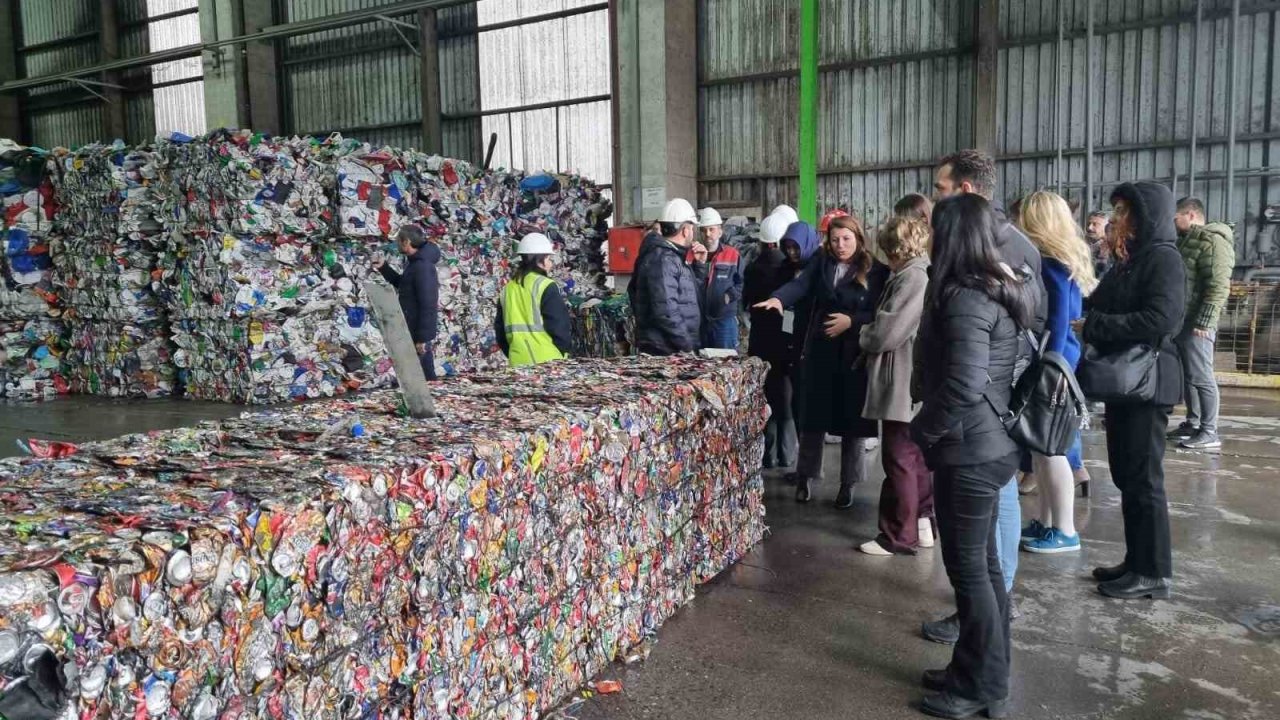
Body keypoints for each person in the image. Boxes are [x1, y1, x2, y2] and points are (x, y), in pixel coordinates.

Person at [910, 194, 1035, 719]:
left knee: (972, 574)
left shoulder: (965, 297)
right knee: (982, 570)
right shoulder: (996, 287)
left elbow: (963, 382)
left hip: (970, 450)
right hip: (987, 445)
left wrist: (924, 429)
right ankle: (977, 670)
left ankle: (980, 686)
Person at [922, 149, 1045, 645]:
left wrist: (926, 426)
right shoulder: (1001, 254)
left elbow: (970, 374)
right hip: (986, 421)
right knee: (981, 557)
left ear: (964, 195)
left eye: (940, 190)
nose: (934, 202)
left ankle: (986, 630)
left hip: (978, 424)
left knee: (975, 563)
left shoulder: (981, 274)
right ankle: (986, 629)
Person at [1083, 181, 1185, 600]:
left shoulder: (1163, 259)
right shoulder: (1131, 259)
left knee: (1144, 479)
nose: (1116, 221)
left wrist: (1097, 326)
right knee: (1127, 475)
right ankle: (1136, 559)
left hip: (1149, 382)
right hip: (1127, 384)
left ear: (1146, 216)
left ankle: (1154, 572)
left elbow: (1161, 319)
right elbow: (1098, 304)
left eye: (1124, 212)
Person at [755, 216, 876, 508]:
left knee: (852, 425)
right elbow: (801, 285)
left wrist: (852, 322)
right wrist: (778, 300)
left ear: (858, 238)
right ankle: (805, 478)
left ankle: (848, 484)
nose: (840, 245)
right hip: (821, 352)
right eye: (835, 240)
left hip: (854, 356)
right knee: (813, 419)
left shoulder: (873, 269)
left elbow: (879, 312)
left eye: (846, 239)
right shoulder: (821, 262)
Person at [1016, 191, 1099, 554]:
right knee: (1042, 449)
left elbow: (1058, 320)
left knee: (1052, 451)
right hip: (1058, 360)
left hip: (1052, 364)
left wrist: (1047, 364)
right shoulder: (1060, 260)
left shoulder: (1051, 264)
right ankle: (1048, 523)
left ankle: (1064, 529)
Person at [858, 214, 933, 556]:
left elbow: (888, 332)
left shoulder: (912, 278)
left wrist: (865, 333)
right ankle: (922, 523)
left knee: (898, 456)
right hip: (910, 376)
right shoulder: (914, 274)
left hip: (901, 378)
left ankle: (898, 535)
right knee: (914, 457)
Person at [1169, 197, 1234, 450]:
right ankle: (1193, 423)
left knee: (1201, 375)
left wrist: (1205, 321)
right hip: (1185, 320)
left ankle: (1209, 431)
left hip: (1198, 321)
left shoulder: (1213, 241)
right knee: (1189, 375)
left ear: (1191, 215)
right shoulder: (1187, 241)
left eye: (1177, 217)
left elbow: (1218, 286)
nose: (1174, 222)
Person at [745, 214, 799, 469]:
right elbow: (789, 309)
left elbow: (746, 304)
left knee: (764, 399)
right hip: (782, 345)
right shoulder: (788, 270)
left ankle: (767, 456)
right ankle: (787, 457)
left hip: (758, 342)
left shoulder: (752, 267)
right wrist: (789, 339)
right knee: (785, 402)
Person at [629, 199, 703, 356]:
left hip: (670, 345)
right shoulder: (664, 259)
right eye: (692, 228)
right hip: (666, 348)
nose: (692, 232)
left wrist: (700, 265)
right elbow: (666, 311)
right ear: (685, 230)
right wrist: (687, 346)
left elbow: (690, 296)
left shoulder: (672, 256)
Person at [494, 233, 573, 366]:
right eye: (548, 259)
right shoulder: (546, 285)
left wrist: (515, 353)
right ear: (539, 260)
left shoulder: (507, 289)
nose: (550, 264)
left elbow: (500, 332)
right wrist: (562, 353)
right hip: (548, 361)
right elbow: (559, 327)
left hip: (517, 363)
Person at [376, 224, 441, 380]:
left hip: (417, 332)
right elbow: (404, 285)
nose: (396, 243)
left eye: (398, 240)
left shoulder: (422, 266)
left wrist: (422, 338)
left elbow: (428, 303)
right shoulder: (414, 263)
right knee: (415, 377)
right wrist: (384, 268)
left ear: (406, 242)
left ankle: (434, 402)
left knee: (425, 377)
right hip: (410, 328)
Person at [690, 207, 744, 349]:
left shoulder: (732, 255)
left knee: (726, 364)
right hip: (700, 321)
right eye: (703, 230)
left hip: (724, 321)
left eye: (711, 229)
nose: (707, 234)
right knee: (700, 365)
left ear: (720, 231)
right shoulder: (692, 256)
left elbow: (742, 283)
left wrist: (729, 295)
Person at [1086, 210, 1112, 279]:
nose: (1089, 228)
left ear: (1107, 227)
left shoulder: (1111, 250)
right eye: (1088, 224)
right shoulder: (1082, 245)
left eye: (1095, 224)